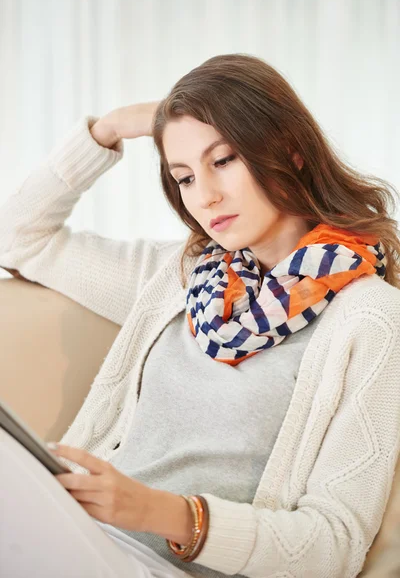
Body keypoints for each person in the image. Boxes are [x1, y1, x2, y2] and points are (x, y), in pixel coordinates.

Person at [1, 53, 400, 578]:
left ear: (290, 151)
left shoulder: (370, 319)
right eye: (184, 176)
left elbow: (333, 546)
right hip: (82, 536)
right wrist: (112, 127)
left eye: (225, 160)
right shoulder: (184, 277)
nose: (206, 197)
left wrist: (158, 513)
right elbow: (19, 238)